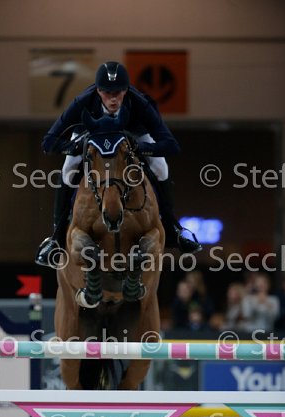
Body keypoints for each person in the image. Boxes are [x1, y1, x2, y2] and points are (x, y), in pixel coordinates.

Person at [35, 61, 202, 266]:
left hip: (132, 133)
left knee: (161, 166)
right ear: (98, 91)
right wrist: (75, 147)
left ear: (126, 90)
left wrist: (140, 148)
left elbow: (171, 145)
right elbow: (48, 142)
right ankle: (57, 237)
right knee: (69, 169)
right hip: (90, 134)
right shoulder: (82, 102)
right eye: (107, 93)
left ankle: (173, 228)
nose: (113, 99)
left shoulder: (140, 103)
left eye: (118, 92)